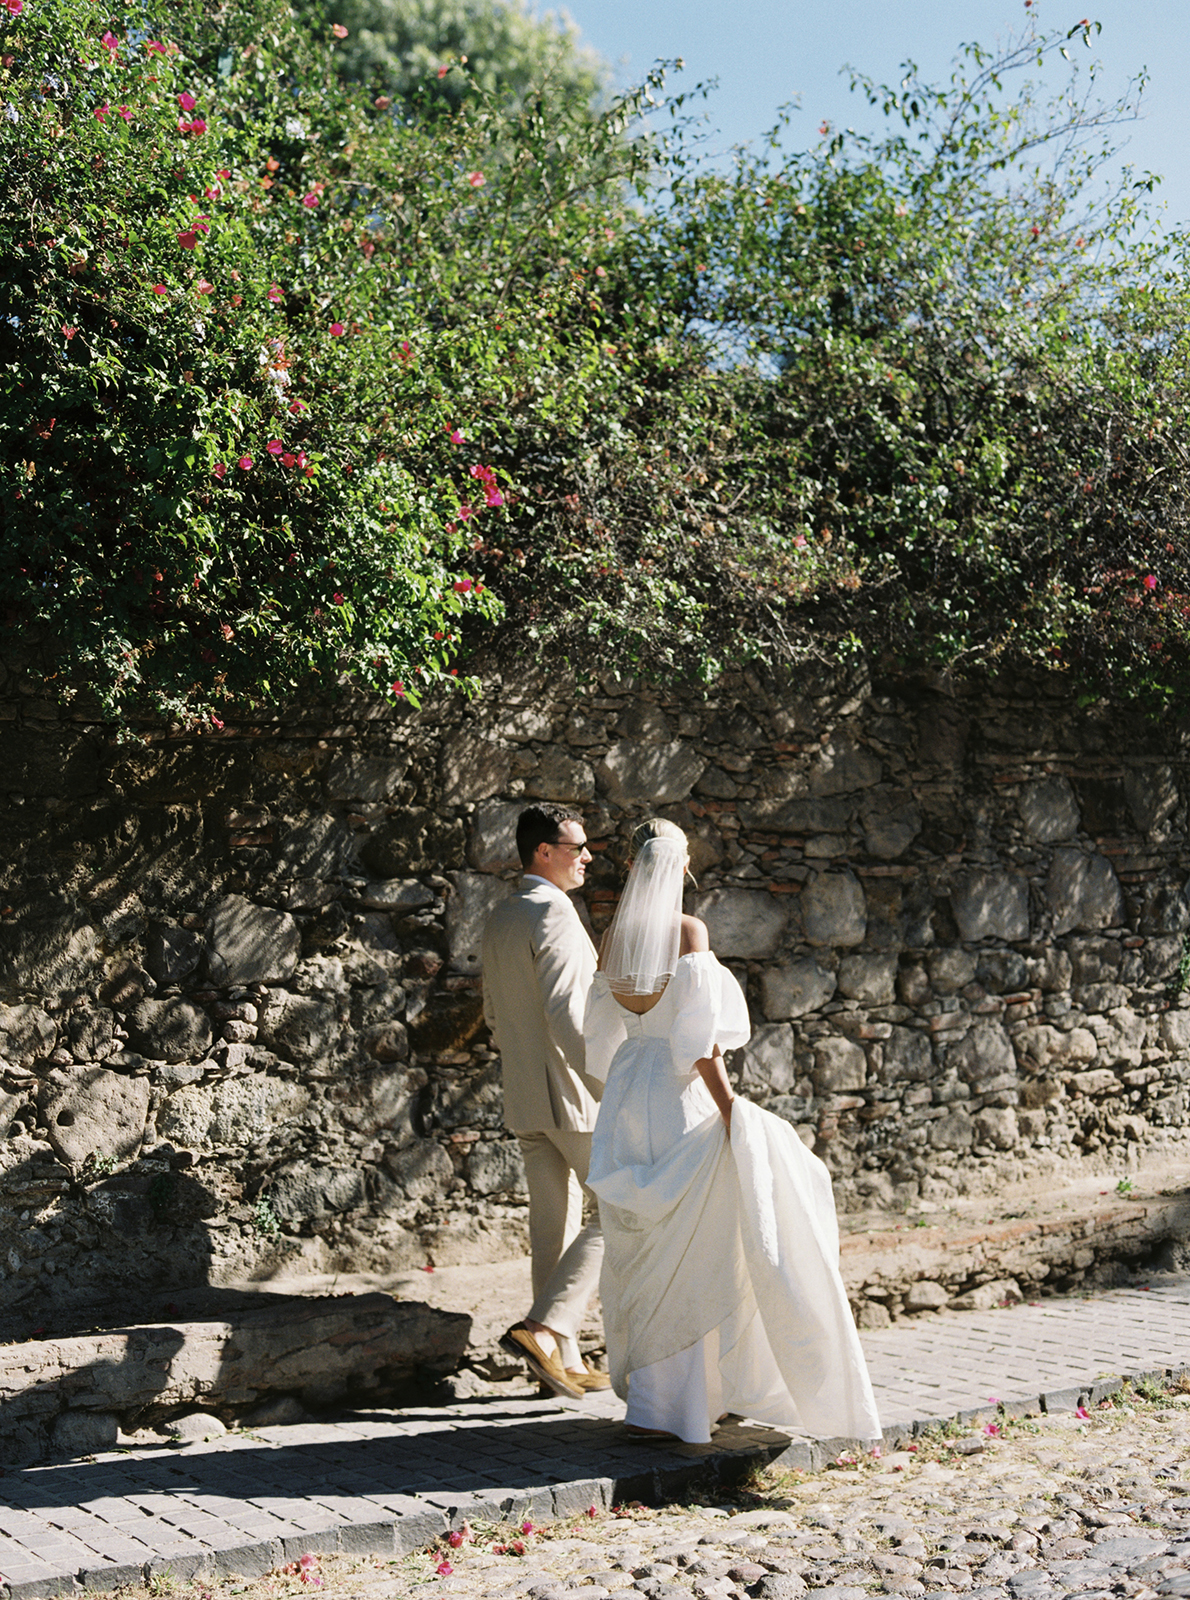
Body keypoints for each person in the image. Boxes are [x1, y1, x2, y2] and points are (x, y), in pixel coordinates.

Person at [584, 818, 881, 1445]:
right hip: (677, 1092)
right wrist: (731, 1112)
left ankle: (656, 1402)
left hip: (629, 1090)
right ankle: (696, 1400)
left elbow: (603, 1034)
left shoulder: (611, 939)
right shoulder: (688, 932)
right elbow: (700, 1044)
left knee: (644, 1242)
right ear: (681, 866)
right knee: (702, 1242)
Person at [482, 802, 610, 1401]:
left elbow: (492, 1015)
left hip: (525, 1096)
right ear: (544, 852)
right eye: (576, 846)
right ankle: (543, 1329)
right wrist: (611, 1088)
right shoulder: (554, 914)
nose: (586, 856)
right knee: (622, 1208)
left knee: (552, 1229)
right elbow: (569, 1017)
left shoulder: (504, 914)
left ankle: (559, 1365)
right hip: (572, 1095)